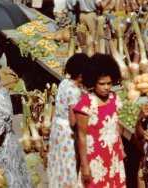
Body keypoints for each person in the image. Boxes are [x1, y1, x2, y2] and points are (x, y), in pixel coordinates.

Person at [73, 53, 126, 187]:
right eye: (101, 84)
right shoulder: (85, 104)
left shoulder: (115, 99)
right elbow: (81, 136)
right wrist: (84, 165)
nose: (106, 87)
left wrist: (121, 147)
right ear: (93, 82)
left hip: (113, 155)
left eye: (109, 83)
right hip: (95, 158)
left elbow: (116, 126)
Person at [47, 53, 89, 188]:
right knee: (68, 164)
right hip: (67, 133)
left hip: (57, 127)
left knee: (58, 160)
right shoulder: (74, 91)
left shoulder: (64, 82)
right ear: (81, 75)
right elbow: (73, 120)